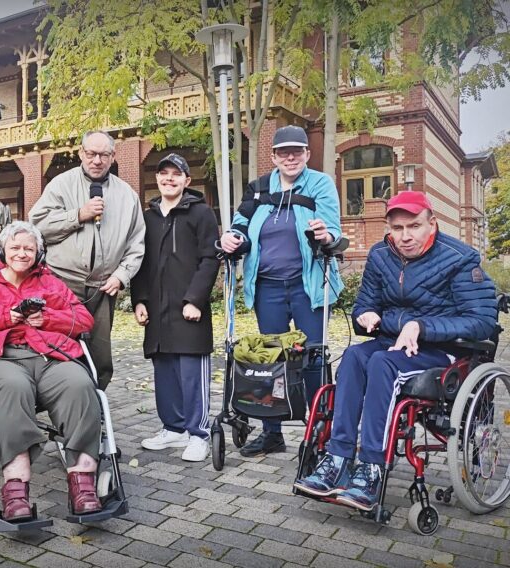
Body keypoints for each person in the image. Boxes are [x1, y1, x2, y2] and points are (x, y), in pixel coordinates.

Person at [293, 191, 497, 511]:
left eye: (414, 226)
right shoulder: (379, 255)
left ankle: (371, 468)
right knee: (354, 357)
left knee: (382, 363)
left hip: (441, 352)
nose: (405, 236)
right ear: (388, 227)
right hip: (392, 342)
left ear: (432, 223)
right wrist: (366, 316)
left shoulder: (459, 258)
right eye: (397, 228)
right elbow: (365, 305)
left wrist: (421, 326)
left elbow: (482, 321)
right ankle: (337, 458)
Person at [0, 221, 103, 521]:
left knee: (78, 383)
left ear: (39, 254)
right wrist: (5, 316)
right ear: (2, 250)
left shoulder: (49, 283)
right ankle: (16, 490)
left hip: (46, 356)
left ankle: (83, 484)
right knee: (13, 386)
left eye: (29, 248)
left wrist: (49, 319)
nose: (22, 253)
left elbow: (83, 319)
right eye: (15, 247)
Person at [219, 125, 343, 457]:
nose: (291, 157)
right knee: (270, 359)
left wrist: (324, 235)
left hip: (307, 287)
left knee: (312, 358)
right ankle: (272, 432)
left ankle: (320, 434)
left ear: (307, 154)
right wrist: (231, 238)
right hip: (268, 288)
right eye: (283, 152)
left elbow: (333, 229)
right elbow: (240, 224)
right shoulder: (258, 187)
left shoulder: (320, 184)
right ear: (273, 156)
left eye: (297, 151)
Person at [29, 130, 146, 390]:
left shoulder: (127, 195)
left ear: (113, 156)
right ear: (81, 153)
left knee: (99, 354)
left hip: (104, 288)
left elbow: (137, 245)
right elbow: (37, 225)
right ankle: (61, 403)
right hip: (62, 285)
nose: (97, 160)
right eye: (91, 154)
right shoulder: (61, 185)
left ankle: (95, 405)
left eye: (103, 155)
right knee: (59, 347)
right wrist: (78, 215)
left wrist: (121, 276)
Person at [131, 153, 220, 462]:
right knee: (164, 370)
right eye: (163, 174)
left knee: (191, 371)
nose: (169, 179)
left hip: (189, 308)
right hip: (157, 308)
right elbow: (139, 261)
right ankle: (173, 428)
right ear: (157, 179)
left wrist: (195, 299)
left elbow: (210, 258)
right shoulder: (148, 217)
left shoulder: (201, 213)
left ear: (186, 180)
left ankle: (199, 434)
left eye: (175, 174)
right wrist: (140, 299)